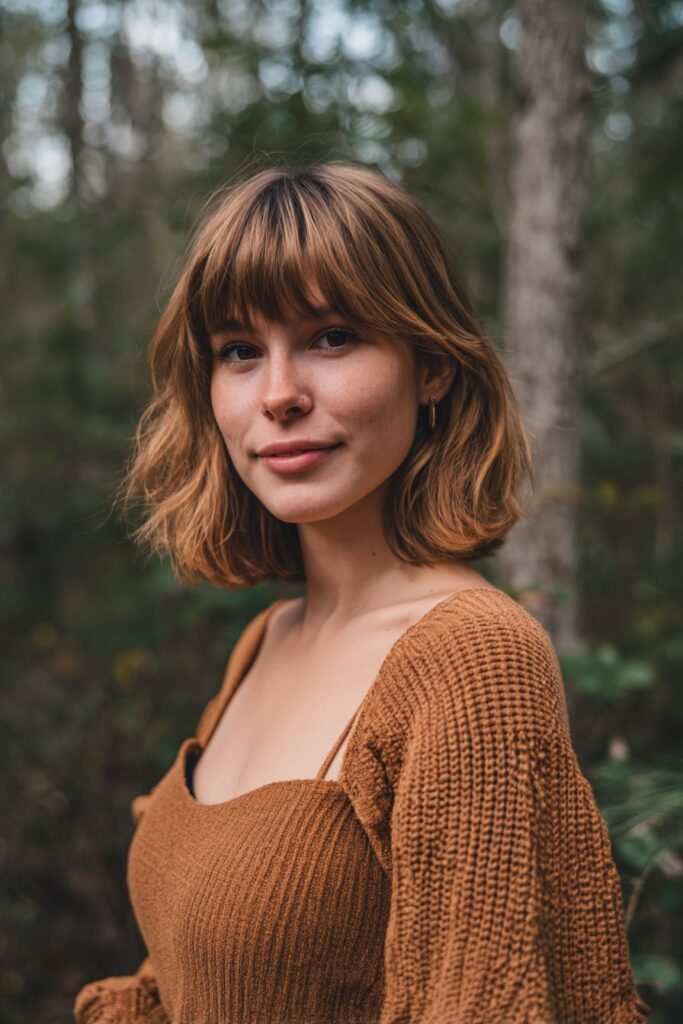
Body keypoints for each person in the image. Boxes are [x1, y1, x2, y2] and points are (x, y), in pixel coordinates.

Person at [73, 162, 650, 1023]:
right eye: (238, 352)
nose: (278, 395)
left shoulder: (470, 660)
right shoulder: (265, 639)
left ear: (432, 367)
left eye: (332, 336)